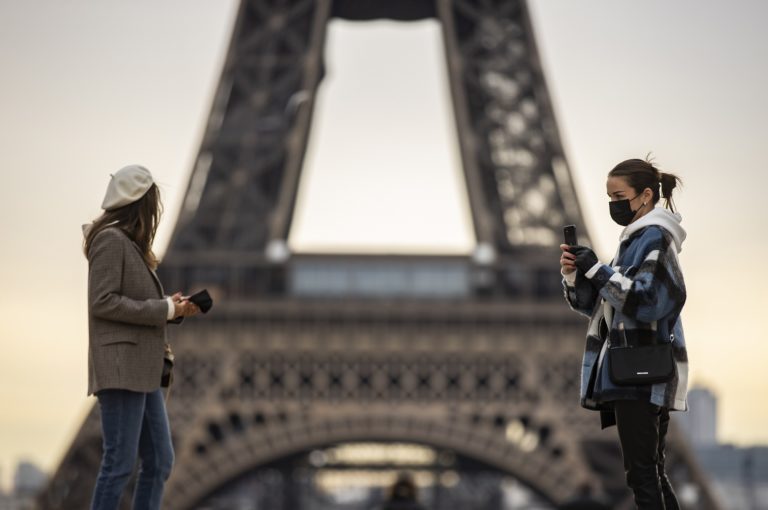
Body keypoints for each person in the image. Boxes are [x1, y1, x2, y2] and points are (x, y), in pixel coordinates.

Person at [559, 158, 688, 509]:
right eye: (608, 196)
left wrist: (598, 269)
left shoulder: (655, 238)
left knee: (643, 473)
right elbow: (607, 311)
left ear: (646, 195)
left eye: (618, 195)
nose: (613, 204)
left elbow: (647, 302)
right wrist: (576, 275)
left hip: (639, 373)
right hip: (632, 369)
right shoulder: (632, 241)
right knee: (650, 472)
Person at [83, 165, 199, 510]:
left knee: (160, 461)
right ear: (140, 204)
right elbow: (101, 302)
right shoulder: (109, 241)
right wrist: (163, 309)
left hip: (143, 370)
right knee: (118, 464)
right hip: (122, 369)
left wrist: (171, 309)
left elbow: (130, 303)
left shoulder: (129, 246)